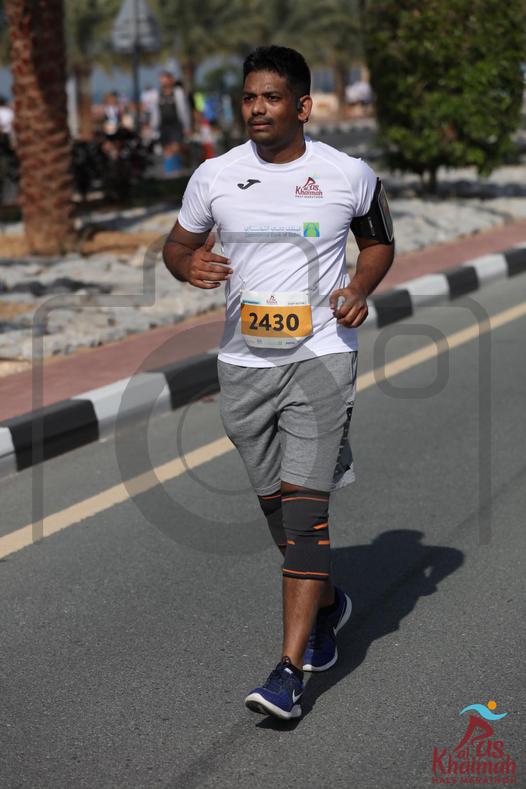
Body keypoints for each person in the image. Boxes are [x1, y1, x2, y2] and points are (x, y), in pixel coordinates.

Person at [163, 46, 395, 721]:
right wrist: (187, 265)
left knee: (303, 513)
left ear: (302, 106)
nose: (256, 109)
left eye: (270, 97)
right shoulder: (215, 175)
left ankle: (289, 672)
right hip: (243, 365)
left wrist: (359, 287)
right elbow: (177, 245)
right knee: (275, 505)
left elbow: (379, 242)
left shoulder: (347, 173)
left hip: (321, 356)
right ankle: (326, 601)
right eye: (248, 98)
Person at [150, 72, 192, 177]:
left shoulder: (178, 93)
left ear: (171, 80)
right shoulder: (157, 94)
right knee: (166, 149)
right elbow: (155, 112)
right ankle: (169, 174)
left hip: (176, 124)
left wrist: (187, 126)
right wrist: (153, 127)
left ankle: (179, 171)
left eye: (165, 79)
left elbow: (184, 110)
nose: (163, 82)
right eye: (162, 79)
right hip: (163, 125)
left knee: (176, 147)